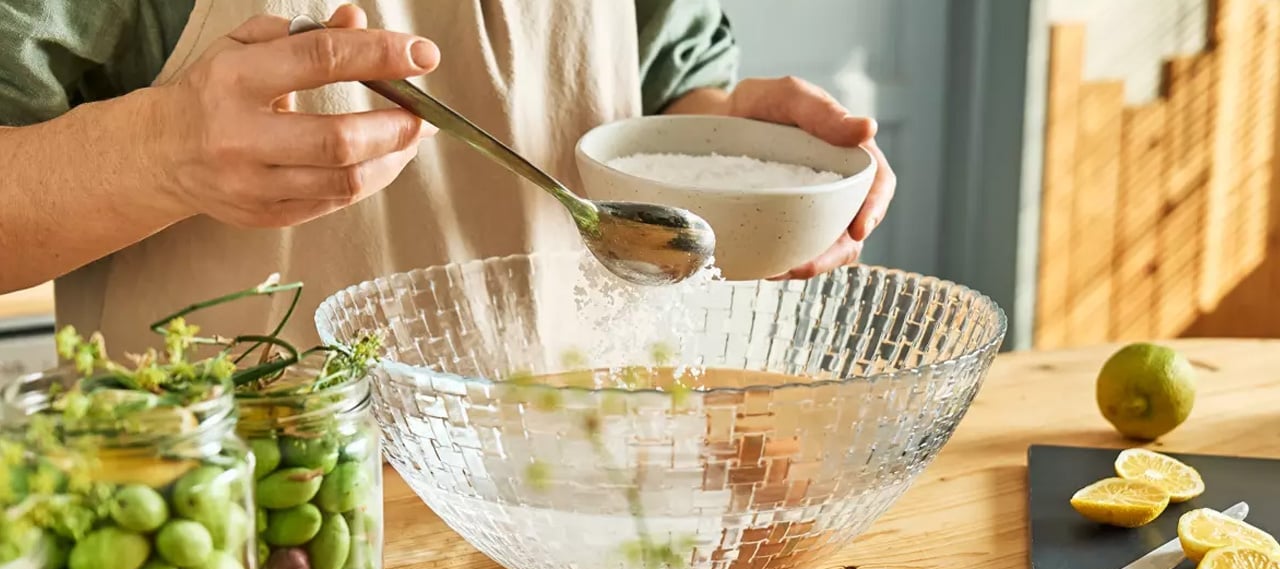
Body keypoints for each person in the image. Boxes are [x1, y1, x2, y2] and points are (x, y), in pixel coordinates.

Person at [0, 1, 896, 354]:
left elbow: (656, 80)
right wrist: (161, 154)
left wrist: (734, 152)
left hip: (592, 514)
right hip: (243, 547)